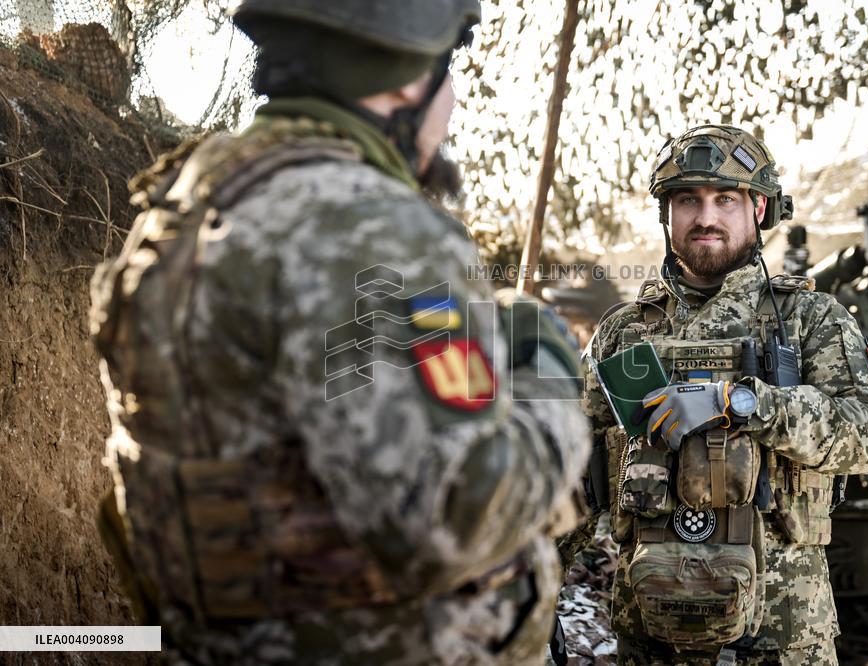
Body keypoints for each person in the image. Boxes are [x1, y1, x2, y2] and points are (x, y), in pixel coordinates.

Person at [88, 1, 590, 663]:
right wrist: (546, 365)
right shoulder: (371, 230)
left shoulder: (185, 202)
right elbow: (456, 515)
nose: (454, 104)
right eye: (452, 72)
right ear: (411, 79)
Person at [561, 125, 868, 665]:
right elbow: (574, 471)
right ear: (667, 212)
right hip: (650, 635)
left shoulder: (810, 321)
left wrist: (742, 402)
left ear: (759, 209)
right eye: (687, 200)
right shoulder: (624, 332)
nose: (706, 217)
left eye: (725, 199)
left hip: (780, 638)